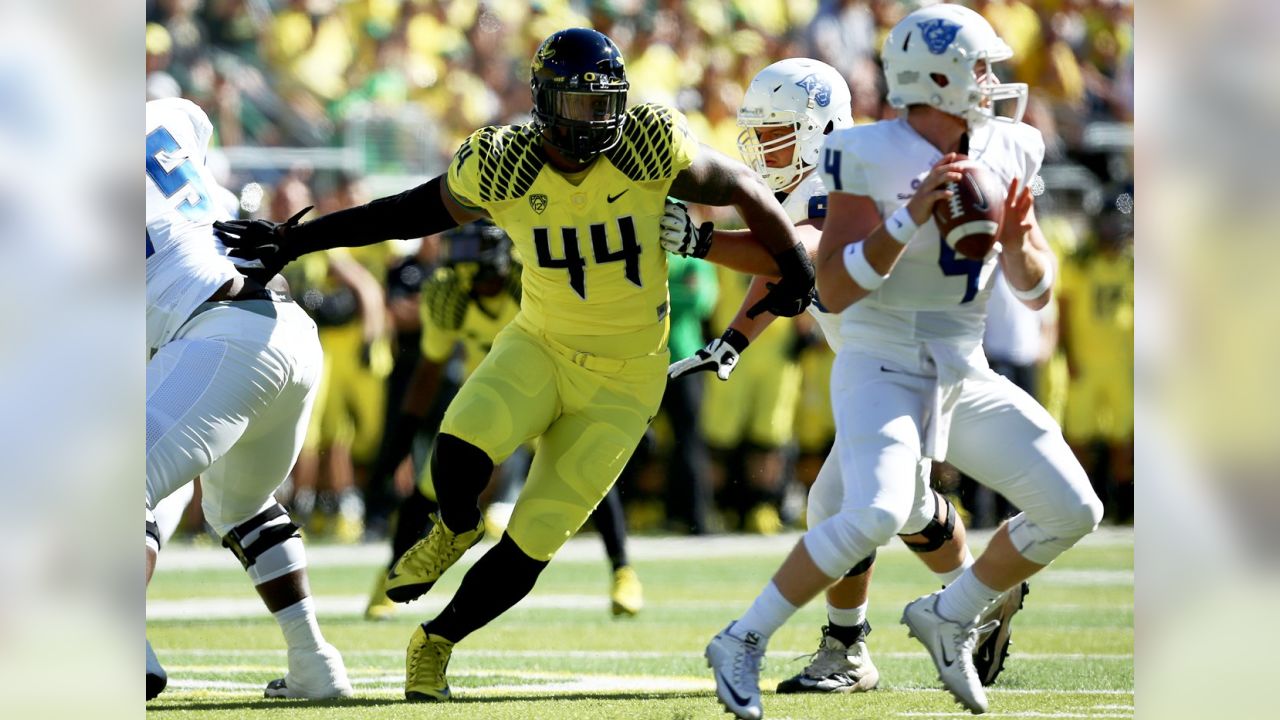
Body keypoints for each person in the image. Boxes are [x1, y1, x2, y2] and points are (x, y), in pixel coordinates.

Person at [213, 27, 814, 703]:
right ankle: (457, 524)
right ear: (547, 104)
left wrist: (793, 267)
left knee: (533, 540)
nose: (601, 121)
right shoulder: (505, 162)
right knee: (459, 444)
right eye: (584, 107)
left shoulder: (648, 142)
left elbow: (744, 189)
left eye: (608, 103)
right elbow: (403, 213)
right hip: (542, 343)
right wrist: (298, 239)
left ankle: (435, 642)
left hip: (627, 378)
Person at [696, 6, 1102, 717]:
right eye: (980, 68)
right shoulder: (865, 155)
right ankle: (758, 640)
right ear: (938, 78)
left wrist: (1019, 233)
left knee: (1075, 507)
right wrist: (910, 217)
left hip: (960, 367)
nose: (991, 81)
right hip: (881, 363)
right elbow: (822, 276)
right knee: (870, 509)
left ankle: (957, 608)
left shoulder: (1011, 145)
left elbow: (1035, 292)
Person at [663, 57, 1026, 702]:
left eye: (777, 130)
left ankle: (860, 645)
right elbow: (784, 269)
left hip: (911, 364)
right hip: (882, 366)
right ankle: (975, 597)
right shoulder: (811, 174)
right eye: (760, 131)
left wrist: (701, 239)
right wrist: (734, 340)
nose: (764, 145)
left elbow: (797, 248)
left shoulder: (849, 166)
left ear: (818, 125)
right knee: (893, 507)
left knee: (849, 507)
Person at [145, 97, 352, 701]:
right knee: (239, 506)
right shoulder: (166, 115)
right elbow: (195, 137)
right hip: (288, 328)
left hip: (220, 331)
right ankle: (315, 662)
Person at [363, 221, 645, 621]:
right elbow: (430, 368)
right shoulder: (446, 293)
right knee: (431, 485)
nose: (467, 276)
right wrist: (403, 435)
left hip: (553, 392)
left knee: (587, 472)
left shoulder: (530, 280)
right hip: (498, 402)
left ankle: (622, 570)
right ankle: (390, 577)